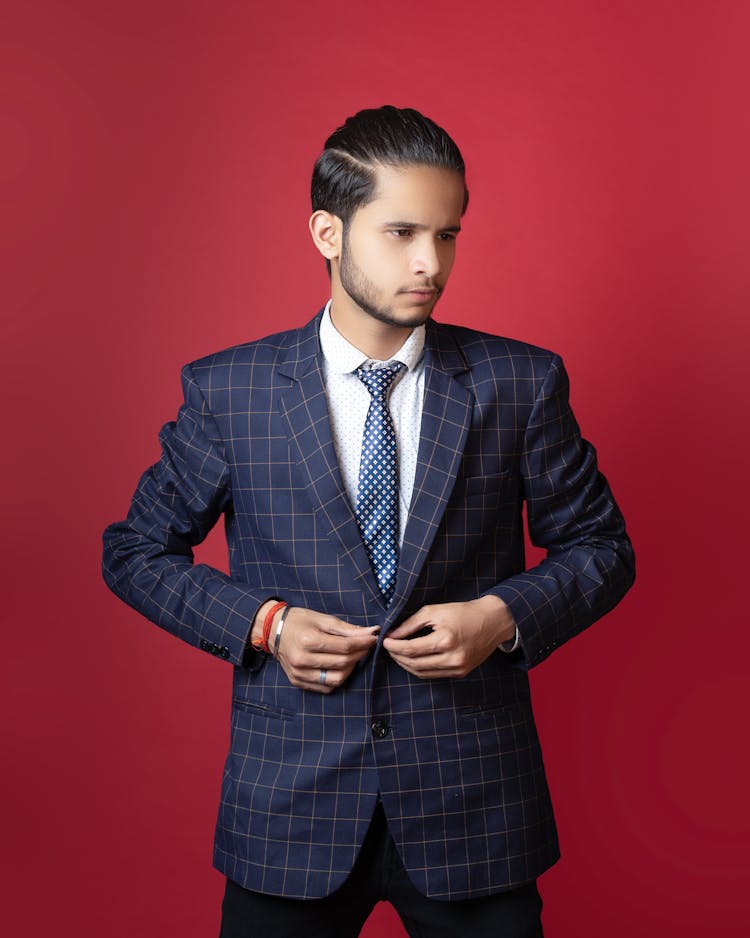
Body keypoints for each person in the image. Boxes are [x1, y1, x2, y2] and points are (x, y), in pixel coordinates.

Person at [103, 105, 635, 937]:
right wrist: (265, 625)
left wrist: (500, 619)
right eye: (401, 233)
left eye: (448, 235)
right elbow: (135, 551)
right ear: (328, 231)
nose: (431, 263)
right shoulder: (230, 391)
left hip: (475, 806)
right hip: (290, 808)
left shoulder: (519, 383)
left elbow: (602, 548)